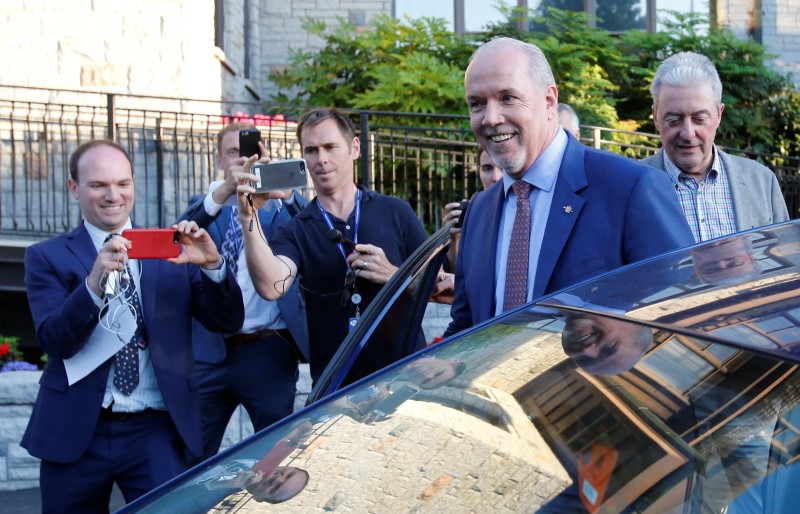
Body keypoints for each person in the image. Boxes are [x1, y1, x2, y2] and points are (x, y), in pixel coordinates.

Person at [21, 140, 245, 512]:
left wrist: (212, 266)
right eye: (99, 185)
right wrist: (93, 284)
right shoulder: (46, 256)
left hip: (155, 429)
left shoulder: (171, 249)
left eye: (123, 183)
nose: (114, 195)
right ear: (74, 188)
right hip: (77, 429)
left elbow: (227, 322)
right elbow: (55, 341)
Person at [444, 37, 694, 337]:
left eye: (508, 98)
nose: (491, 118)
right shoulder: (479, 212)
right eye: (477, 104)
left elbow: (680, 318)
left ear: (549, 101)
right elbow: (464, 330)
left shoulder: (630, 188)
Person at [236, 108, 429, 385]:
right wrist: (248, 217)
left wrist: (393, 276)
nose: (321, 159)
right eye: (311, 150)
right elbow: (271, 286)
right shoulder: (297, 228)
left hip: (406, 375)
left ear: (354, 148)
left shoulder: (395, 211)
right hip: (336, 390)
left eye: (330, 147)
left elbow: (439, 284)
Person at [178, 122, 309, 462]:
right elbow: (177, 235)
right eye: (233, 153)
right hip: (210, 349)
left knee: (275, 456)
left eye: (248, 152)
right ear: (220, 159)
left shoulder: (278, 208)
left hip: (267, 348)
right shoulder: (205, 205)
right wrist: (225, 191)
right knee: (192, 455)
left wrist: (285, 191)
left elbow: (313, 227)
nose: (241, 159)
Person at [642, 51, 789, 242]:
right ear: (655, 117)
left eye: (699, 119)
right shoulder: (629, 188)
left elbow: (784, 260)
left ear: (719, 115)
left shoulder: (761, 182)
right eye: (674, 119)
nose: (688, 133)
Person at [442, 147, 503, 272]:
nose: (496, 177)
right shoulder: (472, 213)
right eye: (487, 168)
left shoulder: (525, 213)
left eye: (503, 168)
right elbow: (457, 275)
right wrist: (453, 239)